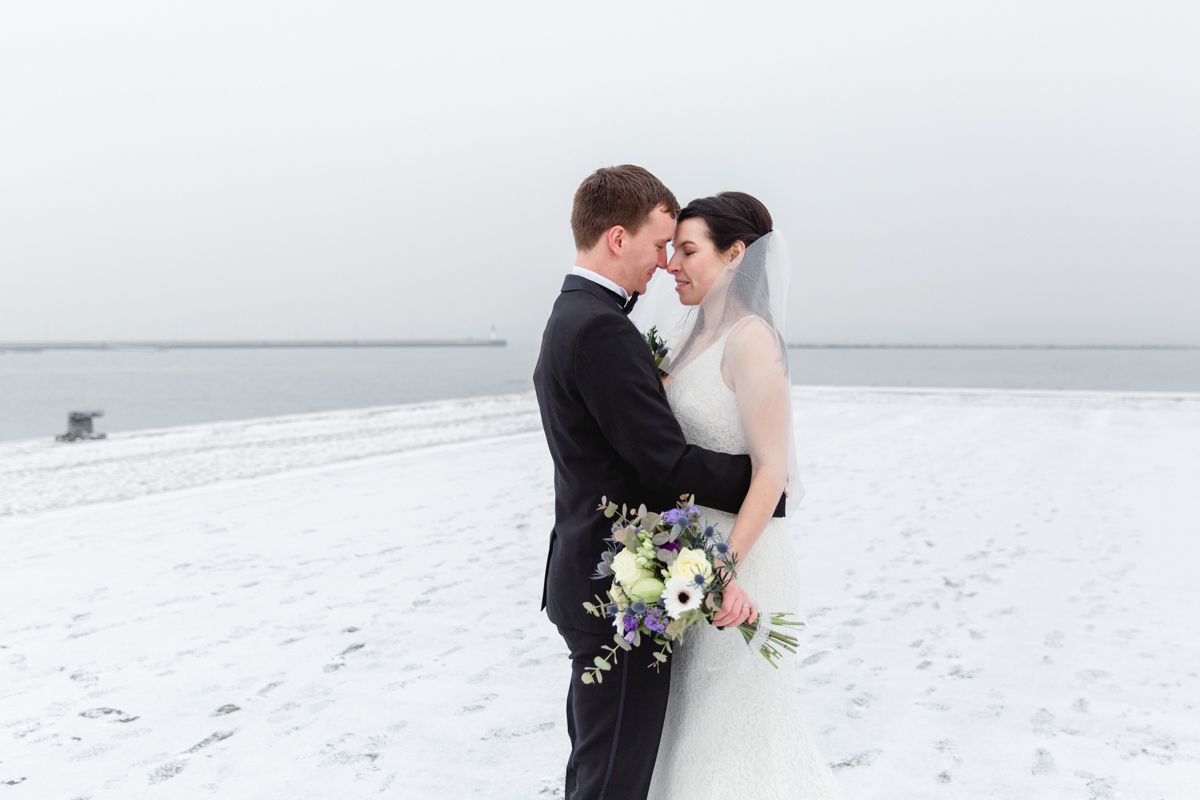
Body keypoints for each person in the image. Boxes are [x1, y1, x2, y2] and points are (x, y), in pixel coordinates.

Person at [533, 167, 784, 800]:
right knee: (612, 778)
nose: (665, 263)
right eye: (659, 244)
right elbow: (664, 464)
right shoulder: (599, 328)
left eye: (681, 249)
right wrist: (766, 485)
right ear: (618, 238)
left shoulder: (573, 314)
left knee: (599, 767)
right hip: (619, 588)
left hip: (597, 572)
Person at [640, 192, 846, 799]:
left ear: (736, 255)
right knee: (688, 734)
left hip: (743, 564)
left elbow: (772, 472)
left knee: (736, 741)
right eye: (672, 249)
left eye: (687, 250)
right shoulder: (685, 334)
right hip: (687, 563)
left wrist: (721, 566)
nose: (672, 264)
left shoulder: (752, 339)